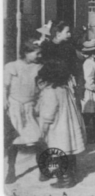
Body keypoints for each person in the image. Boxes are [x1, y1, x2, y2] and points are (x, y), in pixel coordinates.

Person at [37, 57, 87, 188]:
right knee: (68, 153)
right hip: (67, 127)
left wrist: (43, 130)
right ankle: (71, 176)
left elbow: (48, 114)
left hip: (56, 128)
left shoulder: (49, 91)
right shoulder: (65, 89)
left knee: (57, 155)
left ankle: (65, 180)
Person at [4, 39, 46, 185]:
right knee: (13, 141)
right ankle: (11, 170)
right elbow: (4, 86)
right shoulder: (12, 66)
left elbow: (41, 87)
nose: (39, 56)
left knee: (39, 139)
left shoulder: (38, 67)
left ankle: (43, 169)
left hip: (30, 108)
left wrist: (40, 103)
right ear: (26, 53)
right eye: (36, 53)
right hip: (15, 108)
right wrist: (4, 102)